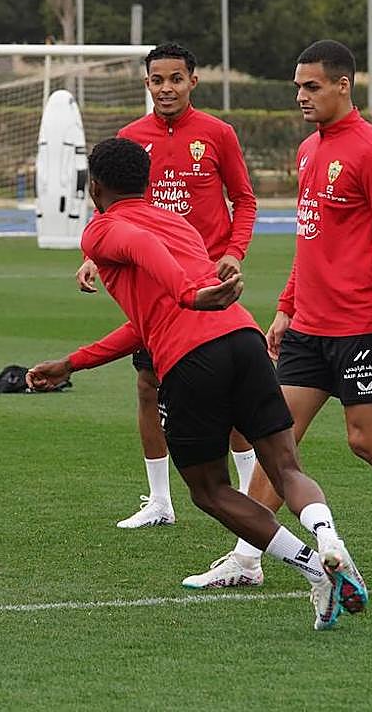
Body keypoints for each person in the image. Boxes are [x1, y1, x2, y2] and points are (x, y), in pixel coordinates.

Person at [28, 137, 367, 630]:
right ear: (146, 182)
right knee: (285, 465)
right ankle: (330, 540)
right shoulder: (176, 220)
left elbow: (141, 250)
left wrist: (188, 294)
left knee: (209, 490)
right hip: (244, 338)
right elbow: (143, 325)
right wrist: (73, 363)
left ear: (94, 188)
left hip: (192, 360)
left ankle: (318, 570)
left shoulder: (102, 230)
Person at [182, 39, 372, 592]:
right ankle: (246, 559)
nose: (301, 95)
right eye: (298, 86)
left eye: (312, 86)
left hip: (363, 324)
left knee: (368, 439)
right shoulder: (308, 150)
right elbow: (310, 239)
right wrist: (287, 308)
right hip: (309, 327)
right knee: (277, 440)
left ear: (344, 85)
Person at [75, 42, 259, 529]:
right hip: (155, 286)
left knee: (234, 395)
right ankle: (159, 500)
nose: (166, 88)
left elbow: (244, 199)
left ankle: (248, 490)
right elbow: (111, 209)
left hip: (208, 282)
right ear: (146, 84)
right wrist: (93, 257)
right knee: (146, 384)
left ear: (193, 81)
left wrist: (232, 252)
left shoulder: (217, 133)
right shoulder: (131, 137)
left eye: (176, 79)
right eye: (157, 80)